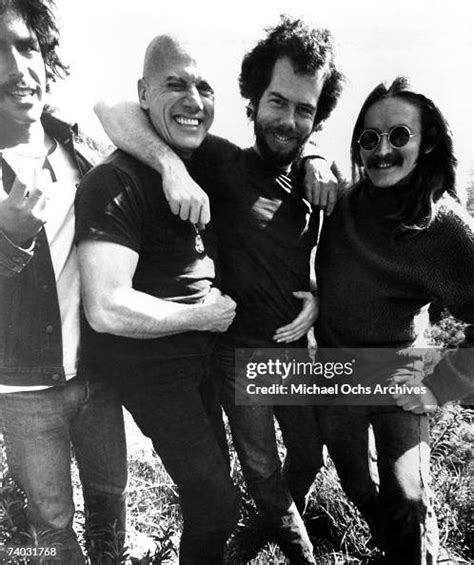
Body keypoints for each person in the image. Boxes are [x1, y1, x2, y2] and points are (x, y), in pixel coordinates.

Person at [94, 16, 344, 564]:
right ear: (253, 100)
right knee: (260, 470)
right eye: (277, 102)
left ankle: (263, 529)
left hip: (295, 357)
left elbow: (309, 257)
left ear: (317, 118)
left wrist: (317, 295)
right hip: (239, 359)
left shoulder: (315, 186)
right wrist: (170, 168)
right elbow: (110, 109)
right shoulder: (220, 162)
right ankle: (295, 551)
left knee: (309, 458)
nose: (288, 120)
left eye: (305, 109)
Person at [75, 35, 240, 565]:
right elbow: (106, 306)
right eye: (176, 84)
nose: (194, 99)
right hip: (155, 369)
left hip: (203, 361)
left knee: (217, 494)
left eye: (204, 87)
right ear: (144, 92)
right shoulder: (114, 181)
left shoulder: (199, 161)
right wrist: (201, 316)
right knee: (216, 504)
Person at [314, 76, 474, 564]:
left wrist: (441, 382)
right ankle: (403, 550)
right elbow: (302, 150)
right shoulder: (340, 203)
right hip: (337, 372)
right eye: (369, 138)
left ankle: (418, 551)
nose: (382, 150)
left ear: (427, 144)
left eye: (399, 136)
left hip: (401, 369)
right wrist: (312, 158)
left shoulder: (443, 227)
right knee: (358, 486)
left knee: (407, 498)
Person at [0, 1, 127, 564]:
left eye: (27, 47)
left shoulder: (82, 147)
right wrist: (9, 239)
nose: (15, 68)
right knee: (52, 529)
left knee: (110, 500)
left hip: (99, 377)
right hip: (23, 392)